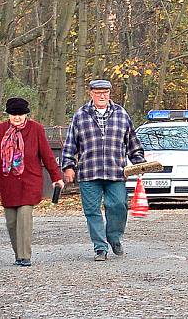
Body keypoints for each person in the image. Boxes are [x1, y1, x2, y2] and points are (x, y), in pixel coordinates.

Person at [61, 79, 145, 261]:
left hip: (115, 172)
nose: (102, 95)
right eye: (98, 92)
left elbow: (132, 142)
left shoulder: (121, 114)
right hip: (89, 173)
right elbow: (70, 144)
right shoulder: (80, 115)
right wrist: (68, 166)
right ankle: (100, 247)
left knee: (118, 206)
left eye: (105, 92)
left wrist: (139, 162)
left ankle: (114, 237)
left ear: (109, 93)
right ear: (91, 93)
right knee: (92, 211)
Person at [0, 97, 64, 267]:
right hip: (8, 183)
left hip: (30, 180)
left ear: (26, 114)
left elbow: (47, 155)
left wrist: (56, 177)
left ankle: (25, 256)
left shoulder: (36, 129)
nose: (17, 117)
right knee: (11, 222)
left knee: (24, 217)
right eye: (13, 114)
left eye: (20, 114)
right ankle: (18, 254)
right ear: (8, 115)